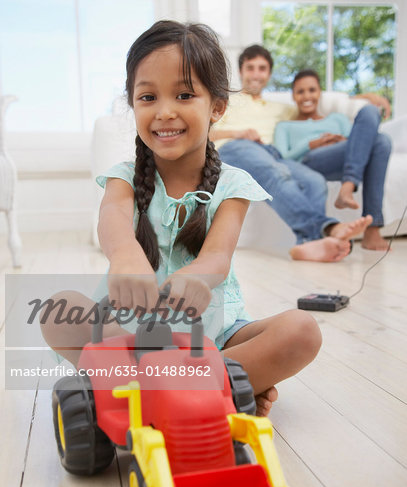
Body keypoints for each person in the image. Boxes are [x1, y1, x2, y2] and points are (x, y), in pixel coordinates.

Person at [40, 21, 322, 417]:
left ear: (217, 107)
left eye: (185, 94)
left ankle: (170, 390)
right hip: (130, 339)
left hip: (213, 338)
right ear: (133, 104)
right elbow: (113, 220)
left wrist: (199, 277)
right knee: (58, 309)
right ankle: (220, 390)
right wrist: (125, 257)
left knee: (302, 330)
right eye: (148, 96)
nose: (164, 111)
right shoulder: (123, 178)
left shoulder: (233, 185)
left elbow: (218, 256)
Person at [209, 44, 387, 262]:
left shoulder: (281, 108)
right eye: (251, 68)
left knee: (314, 181)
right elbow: (203, 134)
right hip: (235, 148)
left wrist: (364, 97)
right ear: (241, 72)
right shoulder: (225, 100)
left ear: (269, 74)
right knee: (275, 172)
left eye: (262, 68)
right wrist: (239, 133)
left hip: (272, 152)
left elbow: (311, 104)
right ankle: (324, 230)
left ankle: (309, 246)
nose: (256, 74)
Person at [274, 69, 391, 251]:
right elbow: (282, 157)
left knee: (374, 123)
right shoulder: (285, 126)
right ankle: (370, 221)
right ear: (293, 96)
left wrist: (341, 141)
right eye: (300, 91)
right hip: (310, 162)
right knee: (381, 141)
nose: (307, 96)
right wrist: (312, 143)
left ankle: (351, 191)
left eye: (312, 90)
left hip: (345, 159)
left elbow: (359, 141)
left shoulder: (337, 119)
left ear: (320, 93)